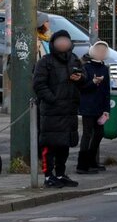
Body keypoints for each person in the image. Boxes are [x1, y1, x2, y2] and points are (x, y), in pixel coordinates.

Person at [32, 29, 84, 187]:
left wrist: (80, 78)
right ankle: (48, 176)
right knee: (50, 145)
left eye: (65, 40)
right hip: (51, 111)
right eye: (59, 40)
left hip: (69, 110)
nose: (63, 43)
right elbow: (38, 84)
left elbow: (85, 79)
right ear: (53, 43)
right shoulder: (45, 61)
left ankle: (61, 174)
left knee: (64, 145)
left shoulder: (74, 59)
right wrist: (52, 99)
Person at [76, 40, 112, 175]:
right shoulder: (86, 67)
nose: (101, 53)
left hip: (99, 107)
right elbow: (82, 87)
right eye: (99, 50)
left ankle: (91, 161)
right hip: (87, 105)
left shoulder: (104, 68)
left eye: (104, 51)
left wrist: (107, 109)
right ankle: (82, 164)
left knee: (99, 134)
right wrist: (93, 82)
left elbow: (107, 91)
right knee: (87, 134)